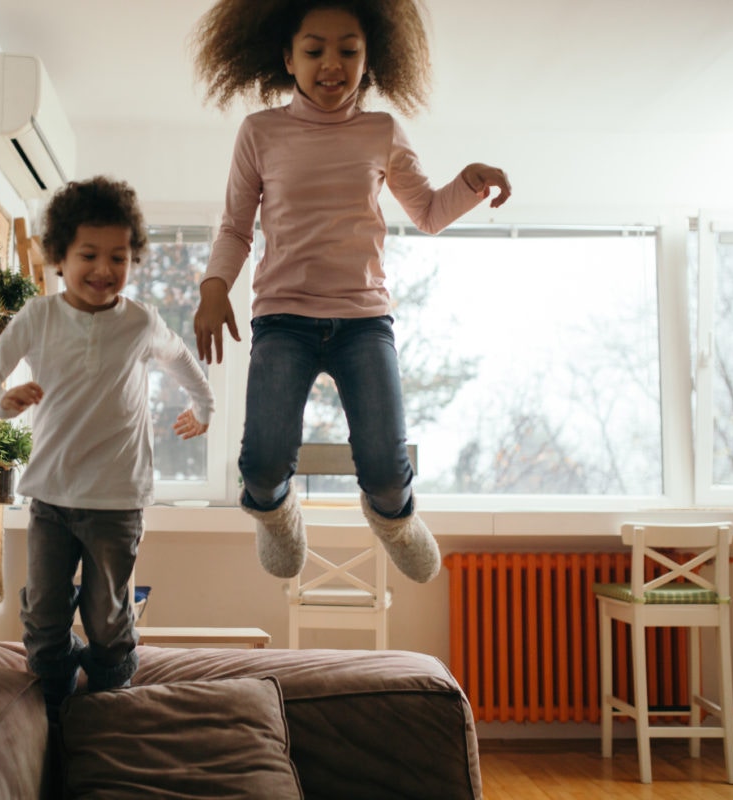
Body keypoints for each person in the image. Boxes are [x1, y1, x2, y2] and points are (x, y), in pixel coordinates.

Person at [191, 0, 511, 583]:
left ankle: (396, 519)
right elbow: (237, 228)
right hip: (283, 320)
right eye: (314, 50)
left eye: (348, 50)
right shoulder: (260, 132)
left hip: (364, 323)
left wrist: (471, 182)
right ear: (287, 57)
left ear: (370, 57)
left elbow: (430, 212)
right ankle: (278, 514)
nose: (331, 64)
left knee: (387, 472)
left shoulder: (380, 130)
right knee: (260, 467)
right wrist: (216, 288)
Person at [0, 176, 215, 719]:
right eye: (88, 255)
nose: (104, 269)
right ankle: (54, 697)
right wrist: (3, 401)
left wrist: (205, 408)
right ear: (59, 256)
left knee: (108, 618)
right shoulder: (39, 317)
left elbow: (182, 362)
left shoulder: (140, 323)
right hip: (51, 499)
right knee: (44, 616)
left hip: (118, 500)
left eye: (118, 256)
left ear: (133, 258)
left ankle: (109, 696)